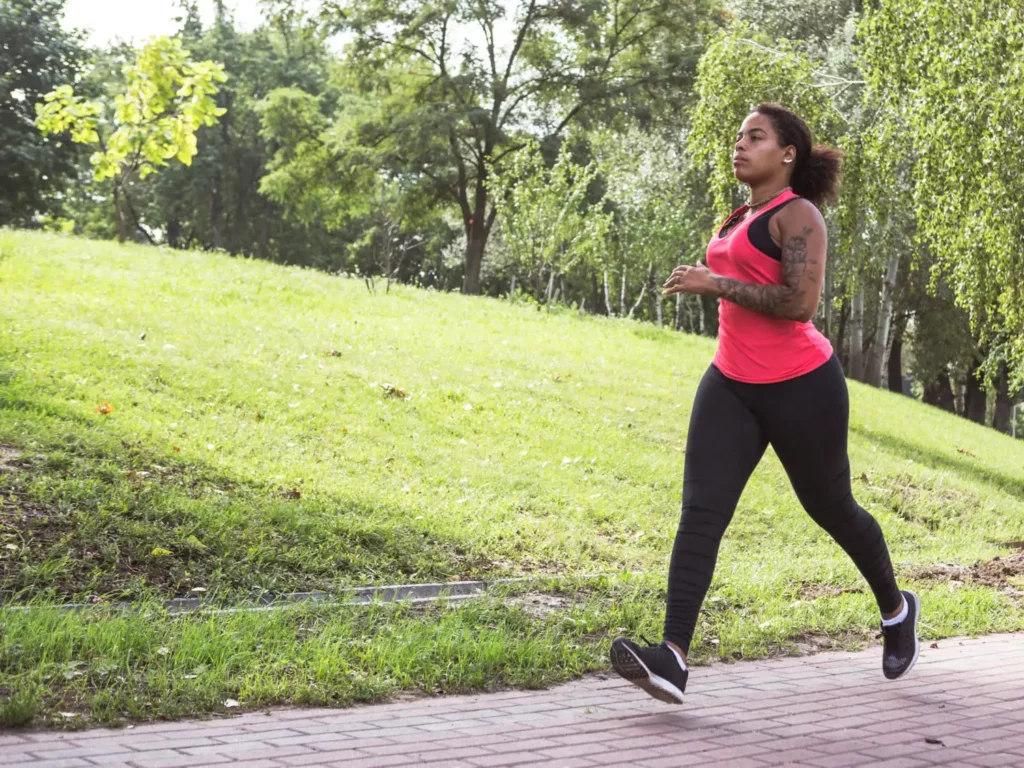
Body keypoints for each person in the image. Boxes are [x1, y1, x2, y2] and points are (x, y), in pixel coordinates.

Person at [609, 103, 919, 704]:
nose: (740, 146)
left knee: (832, 508)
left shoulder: (799, 215)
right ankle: (672, 658)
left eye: (755, 137)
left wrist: (712, 281)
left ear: (787, 155)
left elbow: (799, 305)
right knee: (701, 512)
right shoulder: (737, 215)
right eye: (737, 137)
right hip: (729, 382)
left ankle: (895, 609)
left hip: (802, 385)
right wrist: (712, 277)